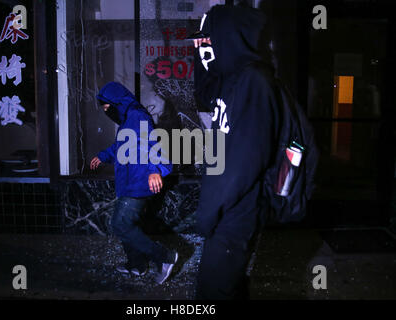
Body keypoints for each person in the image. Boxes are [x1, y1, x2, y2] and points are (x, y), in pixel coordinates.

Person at [189, 4, 280, 299]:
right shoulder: (232, 78)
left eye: (211, 36)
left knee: (212, 292)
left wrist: (208, 213)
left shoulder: (254, 81)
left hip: (235, 210)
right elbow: (204, 94)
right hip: (225, 207)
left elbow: (244, 162)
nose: (207, 42)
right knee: (228, 285)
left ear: (229, 35)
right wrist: (199, 51)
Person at [90, 81, 177, 284]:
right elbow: (121, 146)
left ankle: (165, 257)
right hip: (129, 181)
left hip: (138, 182)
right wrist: (103, 156)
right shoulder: (128, 120)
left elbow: (151, 144)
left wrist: (155, 170)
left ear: (116, 102)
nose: (106, 111)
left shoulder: (137, 116)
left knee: (120, 224)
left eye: (106, 107)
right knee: (129, 224)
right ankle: (136, 265)